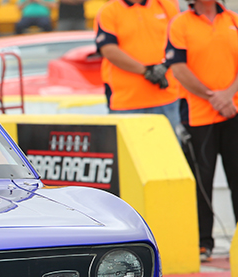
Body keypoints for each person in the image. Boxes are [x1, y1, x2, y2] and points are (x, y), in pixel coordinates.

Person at [167, 0, 238, 261]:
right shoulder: (180, 23)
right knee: (201, 182)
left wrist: (227, 95)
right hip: (198, 115)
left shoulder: (232, 20)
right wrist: (213, 98)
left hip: (233, 111)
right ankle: (203, 242)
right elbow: (179, 69)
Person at [95, 0, 181, 131]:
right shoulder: (109, 11)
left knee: (170, 144)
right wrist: (146, 71)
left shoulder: (165, 5)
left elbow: (179, 42)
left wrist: (163, 66)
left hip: (167, 97)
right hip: (125, 102)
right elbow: (108, 50)